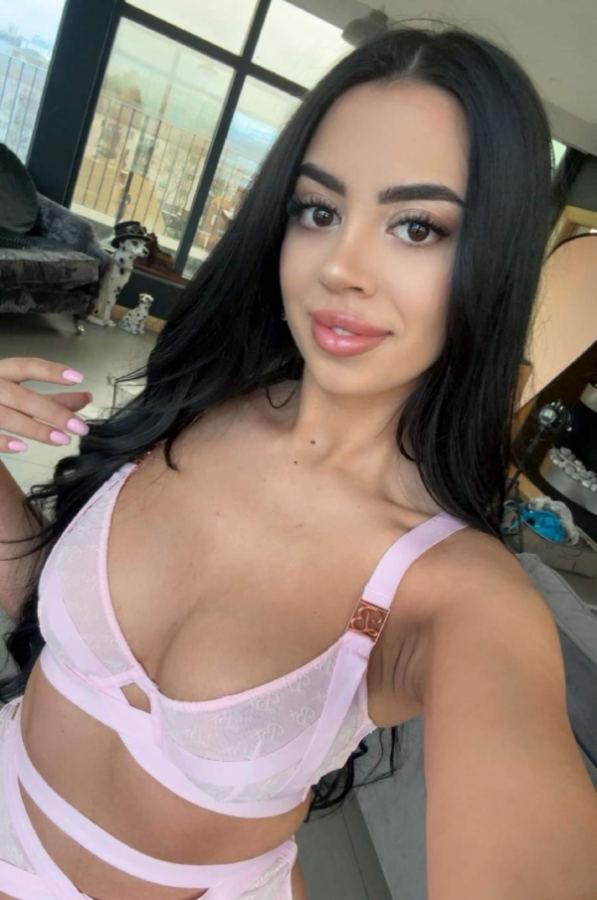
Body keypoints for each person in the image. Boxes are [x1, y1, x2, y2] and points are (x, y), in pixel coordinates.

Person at [0, 21, 596, 900]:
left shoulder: (454, 594)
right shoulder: (195, 401)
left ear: (491, 263)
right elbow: (49, 625)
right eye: (319, 211)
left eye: (417, 226)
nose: (341, 266)